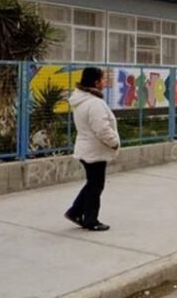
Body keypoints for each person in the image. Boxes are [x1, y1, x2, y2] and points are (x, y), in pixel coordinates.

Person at [64, 67, 120, 231]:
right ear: (96, 82)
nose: (105, 82)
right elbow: (101, 128)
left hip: (88, 148)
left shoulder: (82, 100)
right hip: (95, 150)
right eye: (102, 79)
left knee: (93, 184)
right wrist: (114, 142)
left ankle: (75, 212)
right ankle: (90, 220)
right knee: (96, 186)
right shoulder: (94, 103)